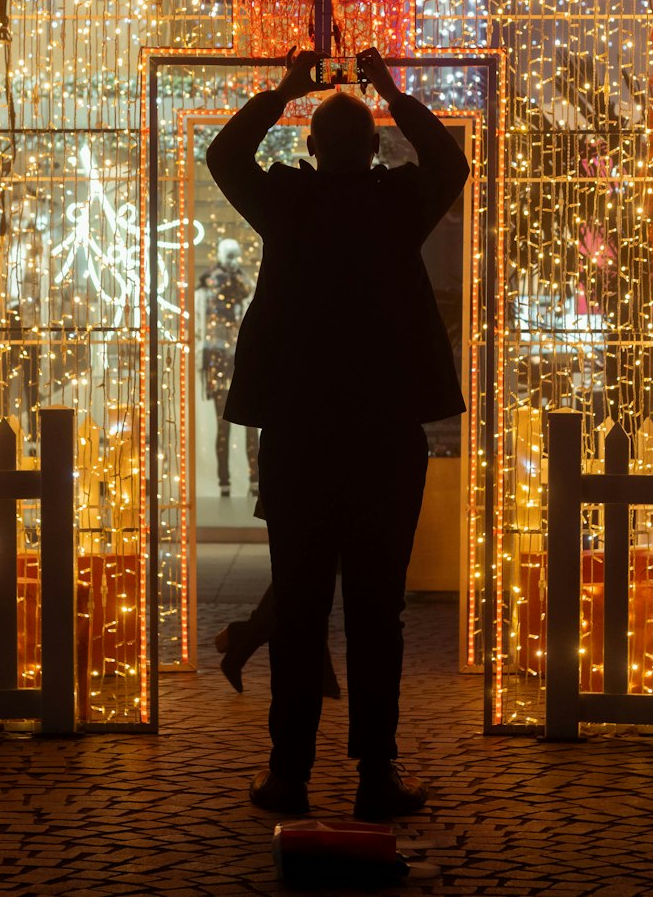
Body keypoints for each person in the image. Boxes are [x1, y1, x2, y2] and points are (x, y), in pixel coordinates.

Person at [205, 46, 469, 821]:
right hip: (385, 437)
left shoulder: (289, 205)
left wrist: (283, 92)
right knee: (377, 613)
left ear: (312, 147)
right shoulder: (398, 205)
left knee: (299, 611)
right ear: (377, 147)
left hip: (300, 435)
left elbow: (223, 155)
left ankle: (289, 772)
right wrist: (390, 89)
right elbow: (450, 162)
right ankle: (375, 774)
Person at [197, 237, 256, 497]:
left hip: (235, 357)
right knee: (227, 425)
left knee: (246, 423)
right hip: (222, 357)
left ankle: (249, 480)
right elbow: (201, 325)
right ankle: (227, 481)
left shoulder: (242, 283)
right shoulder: (212, 283)